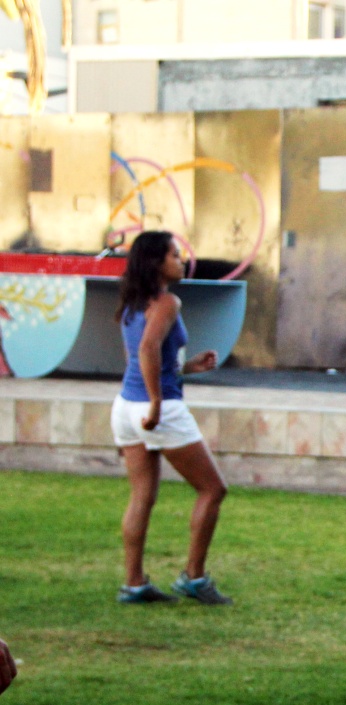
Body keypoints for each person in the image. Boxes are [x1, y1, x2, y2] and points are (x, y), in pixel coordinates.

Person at [112, 231, 232, 606]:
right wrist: (156, 402)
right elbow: (148, 348)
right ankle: (194, 577)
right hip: (156, 409)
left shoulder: (132, 302)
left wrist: (187, 367)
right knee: (213, 490)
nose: (181, 261)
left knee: (141, 496)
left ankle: (134, 584)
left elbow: (141, 357)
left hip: (125, 407)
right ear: (155, 262)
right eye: (174, 255)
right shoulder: (167, 302)